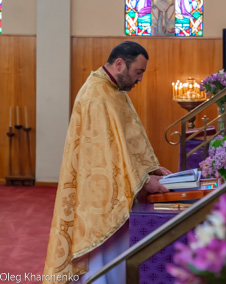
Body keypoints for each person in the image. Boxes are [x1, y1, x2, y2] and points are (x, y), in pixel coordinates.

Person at [43, 41, 171, 284]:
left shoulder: (111, 90)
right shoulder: (97, 95)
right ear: (120, 64)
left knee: (120, 257)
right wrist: (143, 182)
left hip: (117, 192)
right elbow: (104, 155)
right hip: (101, 197)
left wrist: (150, 168)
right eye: (138, 72)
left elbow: (126, 140)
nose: (140, 79)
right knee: (104, 259)